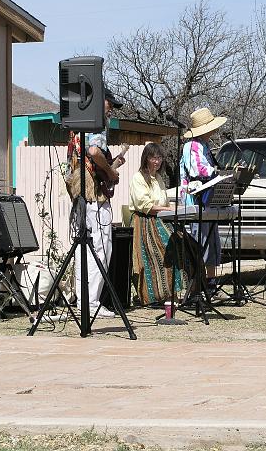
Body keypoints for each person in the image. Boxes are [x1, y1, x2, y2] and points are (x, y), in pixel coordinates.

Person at [67, 85, 125, 319]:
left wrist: (112, 166)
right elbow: (93, 151)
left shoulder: (77, 122)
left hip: (80, 193)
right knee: (101, 248)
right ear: (100, 101)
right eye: (109, 104)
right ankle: (91, 302)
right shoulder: (97, 123)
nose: (110, 110)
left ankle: (84, 301)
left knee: (85, 247)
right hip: (94, 196)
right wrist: (111, 173)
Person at [179, 107, 229, 302]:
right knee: (200, 245)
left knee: (212, 244)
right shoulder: (192, 146)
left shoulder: (203, 145)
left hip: (207, 202)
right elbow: (198, 169)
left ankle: (210, 284)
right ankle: (199, 287)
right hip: (196, 200)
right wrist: (218, 173)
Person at [129, 143, 189, 305]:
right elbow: (147, 206)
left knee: (185, 242)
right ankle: (161, 295)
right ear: (146, 159)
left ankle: (180, 291)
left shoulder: (158, 178)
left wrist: (179, 207)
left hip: (160, 219)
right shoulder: (139, 178)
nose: (157, 161)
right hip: (145, 222)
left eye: (159, 158)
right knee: (168, 246)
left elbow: (164, 202)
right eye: (153, 157)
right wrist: (170, 209)